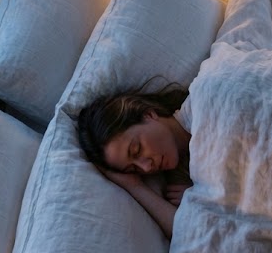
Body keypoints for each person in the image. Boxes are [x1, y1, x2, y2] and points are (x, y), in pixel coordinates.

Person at [77, 82, 192, 239]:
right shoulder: (181, 183)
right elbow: (191, 235)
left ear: (148, 115)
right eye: (133, 169)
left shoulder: (203, 104)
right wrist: (135, 187)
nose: (146, 167)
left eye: (137, 149)